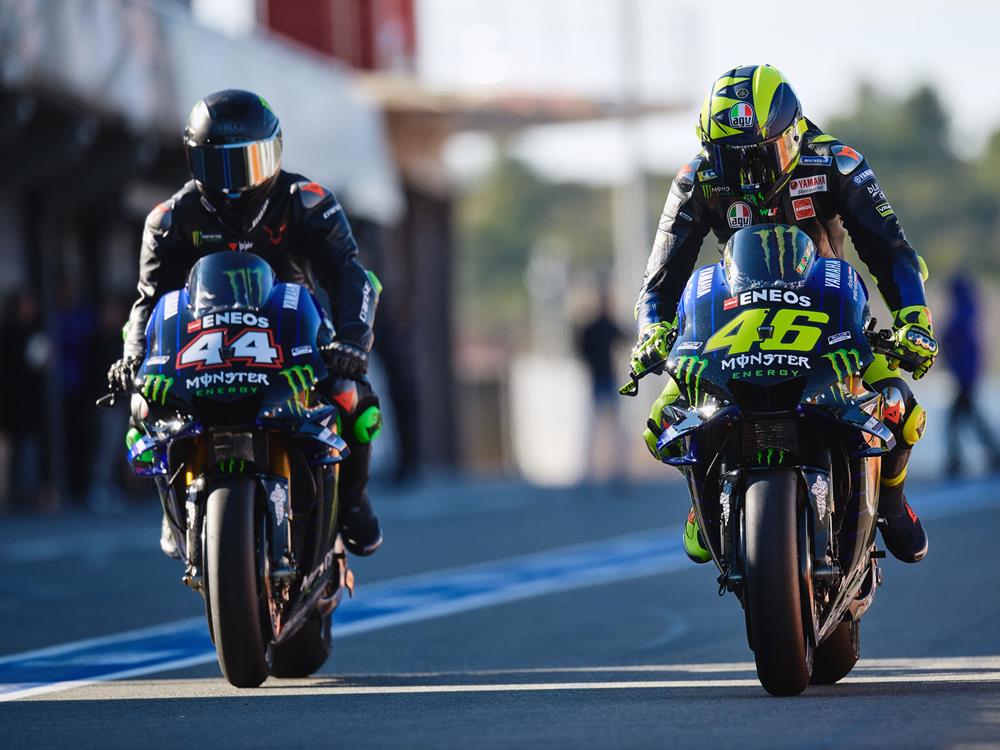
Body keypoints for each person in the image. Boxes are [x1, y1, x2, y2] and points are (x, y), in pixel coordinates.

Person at [629, 65, 937, 564]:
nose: (747, 177)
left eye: (758, 156)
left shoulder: (836, 162)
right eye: (730, 160)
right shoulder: (696, 178)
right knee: (663, 417)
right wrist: (652, 333)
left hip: (828, 317)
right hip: (735, 320)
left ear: (792, 132)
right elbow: (659, 280)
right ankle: (703, 492)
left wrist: (914, 321)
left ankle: (892, 503)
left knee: (899, 406)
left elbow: (891, 250)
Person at [107, 89, 383, 557]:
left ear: (275, 152)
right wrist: (133, 357)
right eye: (220, 166)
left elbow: (351, 275)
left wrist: (352, 342)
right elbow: (148, 301)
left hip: (294, 342)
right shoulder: (169, 219)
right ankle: (173, 506)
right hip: (203, 347)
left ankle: (353, 501)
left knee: (352, 397)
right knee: (143, 405)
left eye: (248, 162)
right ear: (194, 162)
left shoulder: (308, 202)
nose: (236, 183)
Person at [941, 274, 1000, 474]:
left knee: (955, 421)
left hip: (965, 378)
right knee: (971, 419)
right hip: (968, 376)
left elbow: (955, 343)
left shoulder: (961, 315)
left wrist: (961, 373)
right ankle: (992, 455)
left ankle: (956, 461)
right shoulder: (969, 312)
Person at [576, 286, 626, 483]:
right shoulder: (601, 326)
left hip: (603, 379)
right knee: (601, 426)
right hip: (602, 379)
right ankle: (605, 469)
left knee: (604, 427)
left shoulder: (598, 327)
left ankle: (613, 469)